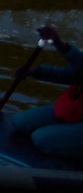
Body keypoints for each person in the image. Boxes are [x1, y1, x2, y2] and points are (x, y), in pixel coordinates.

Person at [8, 27, 83, 161]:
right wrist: (36, 72)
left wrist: (59, 44)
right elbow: (75, 73)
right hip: (78, 110)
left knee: (41, 139)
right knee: (20, 121)